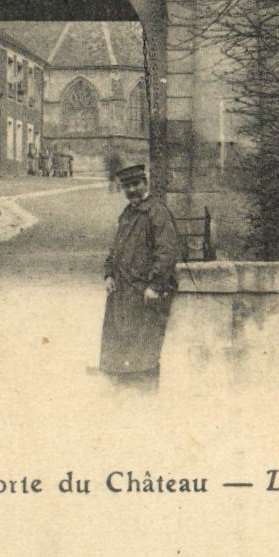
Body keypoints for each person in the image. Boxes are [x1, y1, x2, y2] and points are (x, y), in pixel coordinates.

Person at [99, 161, 180, 389]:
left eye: (135, 184)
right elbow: (115, 248)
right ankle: (122, 398)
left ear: (145, 183)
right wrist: (108, 274)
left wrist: (155, 286)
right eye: (127, 186)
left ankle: (144, 403)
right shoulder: (127, 214)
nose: (132, 190)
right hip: (121, 293)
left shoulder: (157, 212)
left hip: (144, 294)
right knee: (118, 351)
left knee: (144, 353)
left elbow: (167, 251)